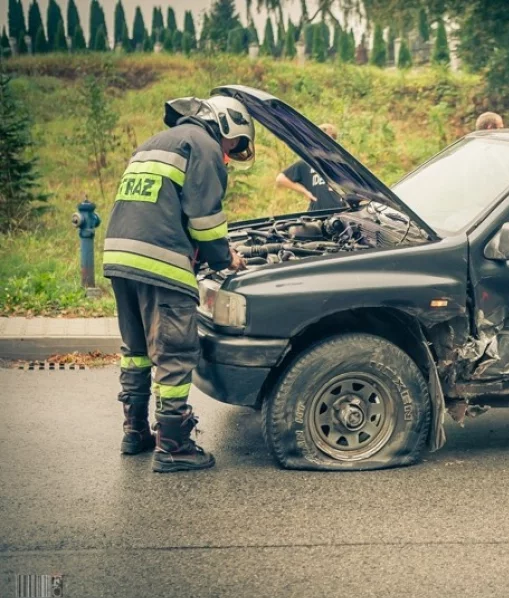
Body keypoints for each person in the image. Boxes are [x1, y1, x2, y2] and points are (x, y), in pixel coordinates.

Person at [102, 95, 255, 473]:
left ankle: (135, 431)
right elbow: (205, 220)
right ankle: (173, 444)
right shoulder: (201, 145)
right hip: (159, 261)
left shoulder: (155, 142)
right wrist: (225, 257)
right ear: (226, 125)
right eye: (232, 146)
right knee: (174, 351)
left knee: (136, 348)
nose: (228, 156)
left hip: (120, 256)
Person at [275, 123, 345, 211]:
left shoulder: (341, 164)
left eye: (327, 140)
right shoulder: (308, 163)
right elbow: (280, 179)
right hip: (317, 214)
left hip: (341, 213)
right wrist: (305, 191)